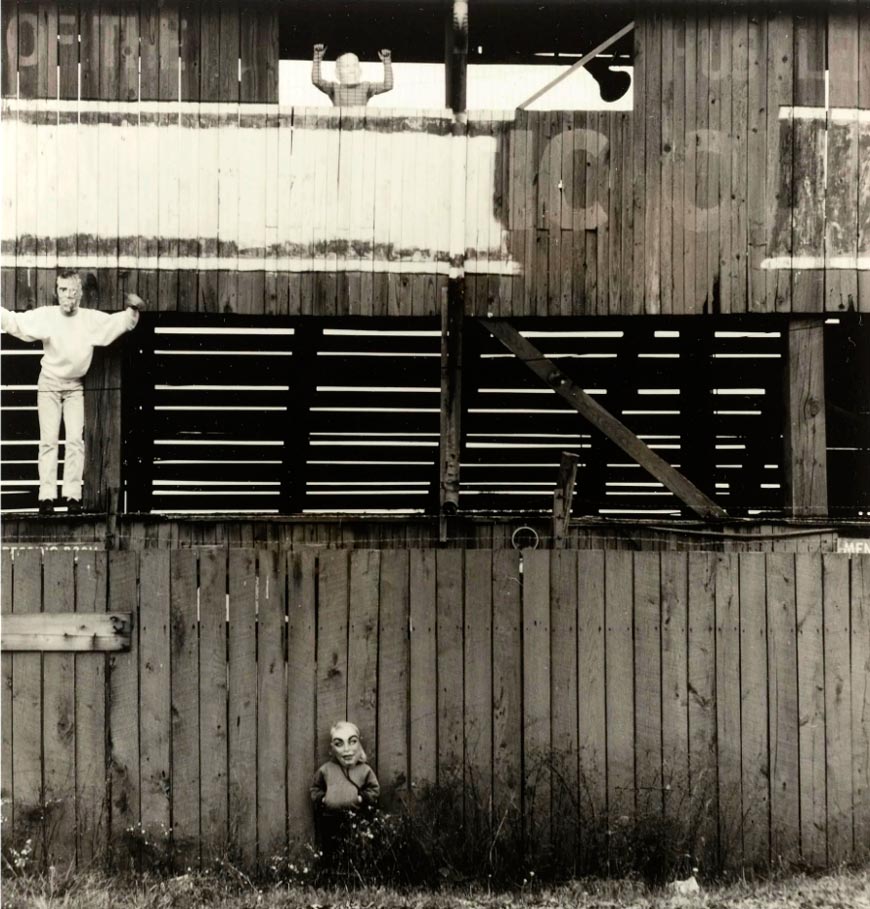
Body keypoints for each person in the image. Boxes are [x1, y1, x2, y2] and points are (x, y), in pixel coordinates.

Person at [0, 270, 145, 515]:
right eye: (64, 290)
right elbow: (15, 322)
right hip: (49, 385)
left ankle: (72, 496)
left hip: (75, 386)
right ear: (57, 293)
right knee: (48, 441)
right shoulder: (47, 317)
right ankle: (46, 497)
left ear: (80, 295)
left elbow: (119, 322)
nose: (69, 296)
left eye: (73, 291)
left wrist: (133, 310)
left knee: (75, 441)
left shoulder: (89, 320)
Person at [311, 720, 380, 860]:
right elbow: (315, 788)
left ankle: (355, 878)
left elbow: (374, 789)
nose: (347, 749)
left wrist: (360, 798)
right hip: (330, 819)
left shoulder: (364, 770)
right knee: (331, 851)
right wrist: (323, 799)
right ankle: (331, 878)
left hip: (357, 818)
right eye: (339, 744)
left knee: (356, 850)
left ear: (359, 745)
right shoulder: (326, 769)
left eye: (352, 741)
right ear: (331, 749)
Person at [312, 44, 393, 106]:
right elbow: (316, 80)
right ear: (337, 74)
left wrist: (387, 62)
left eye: (354, 65)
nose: (351, 70)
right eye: (346, 66)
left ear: (360, 71)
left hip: (361, 125)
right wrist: (317, 57)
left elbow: (388, 85)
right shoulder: (334, 88)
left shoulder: (366, 87)